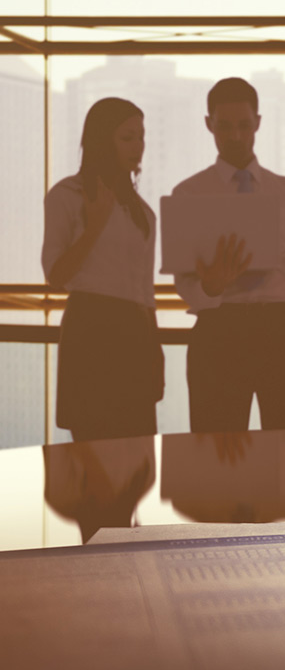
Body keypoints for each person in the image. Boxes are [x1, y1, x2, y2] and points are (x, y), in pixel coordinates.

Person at [170, 77, 285, 433]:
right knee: (216, 457)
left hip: (282, 329)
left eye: (244, 125)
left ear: (258, 122)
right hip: (218, 330)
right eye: (224, 126)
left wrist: (280, 250)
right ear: (208, 124)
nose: (236, 136)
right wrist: (210, 287)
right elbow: (184, 279)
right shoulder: (188, 195)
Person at [42, 97, 162, 441]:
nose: (138, 147)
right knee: (92, 456)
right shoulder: (67, 195)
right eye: (127, 137)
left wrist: (156, 349)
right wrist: (93, 227)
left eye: (141, 136)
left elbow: (145, 289)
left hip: (136, 333)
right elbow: (55, 275)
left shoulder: (143, 212)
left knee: (137, 454)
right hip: (91, 327)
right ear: (101, 140)